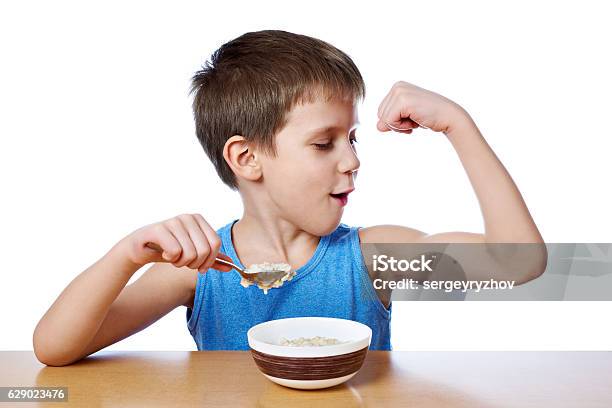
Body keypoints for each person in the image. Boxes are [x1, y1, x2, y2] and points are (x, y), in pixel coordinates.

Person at [33, 30, 546, 366]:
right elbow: (54, 350)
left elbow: (518, 263)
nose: (351, 160)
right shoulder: (203, 267)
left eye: (352, 138)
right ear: (247, 158)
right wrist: (127, 255)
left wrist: (459, 124)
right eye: (324, 143)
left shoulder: (369, 259)